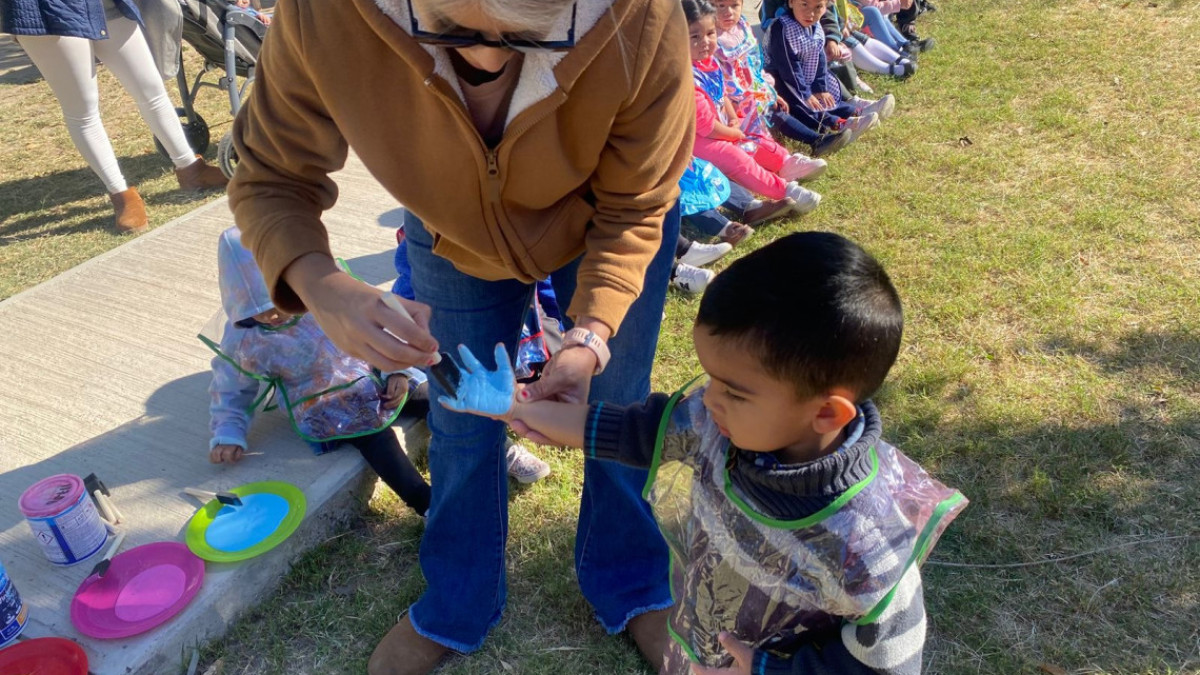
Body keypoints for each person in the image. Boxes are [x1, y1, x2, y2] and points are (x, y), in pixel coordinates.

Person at [225, 0, 696, 671]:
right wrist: (320, 285)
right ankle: (458, 595)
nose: (488, 61)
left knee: (614, 402)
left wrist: (590, 333)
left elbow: (639, 203)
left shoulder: (641, 16)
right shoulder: (323, 14)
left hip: (606, 217)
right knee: (460, 414)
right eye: (449, 31)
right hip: (449, 235)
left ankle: (632, 579)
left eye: (535, 37)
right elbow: (270, 174)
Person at [440, 231, 968, 675]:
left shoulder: (870, 541)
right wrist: (519, 409)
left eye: (734, 391)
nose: (708, 398)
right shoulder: (718, 427)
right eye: (711, 378)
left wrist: (765, 670)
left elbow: (886, 664)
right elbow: (623, 429)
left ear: (826, 415)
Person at [205, 226, 431, 517]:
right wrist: (228, 431)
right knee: (377, 438)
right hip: (325, 400)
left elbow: (377, 330)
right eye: (258, 309)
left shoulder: (326, 299)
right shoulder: (246, 338)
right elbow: (231, 386)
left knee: (431, 398)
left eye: (279, 302)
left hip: (370, 370)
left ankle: (484, 454)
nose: (273, 315)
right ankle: (426, 503)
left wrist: (397, 372)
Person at [0, 0, 228, 233]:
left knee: (151, 89)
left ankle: (191, 169)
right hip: (49, 11)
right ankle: (121, 195)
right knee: (83, 110)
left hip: (105, 5)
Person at [686, 0, 824, 212]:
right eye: (695, 36)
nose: (705, 42)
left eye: (711, 34)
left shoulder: (708, 61)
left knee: (751, 134)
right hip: (696, 140)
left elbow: (722, 93)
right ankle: (785, 190)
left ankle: (784, 163)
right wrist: (732, 132)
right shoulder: (687, 76)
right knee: (735, 156)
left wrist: (733, 119)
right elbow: (706, 126)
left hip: (720, 127)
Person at [711, 0, 853, 158]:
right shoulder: (711, 36)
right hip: (731, 97)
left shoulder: (742, 26)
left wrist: (767, 89)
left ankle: (835, 121)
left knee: (777, 102)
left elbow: (753, 64)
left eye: (734, 5)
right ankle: (817, 138)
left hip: (754, 85)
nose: (728, 12)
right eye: (720, 6)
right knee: (774, 108)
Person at [763, 0, 896, 137]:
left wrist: (820, 87)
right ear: (791, 2)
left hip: (804, 74)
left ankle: (856, 112)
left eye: (818, 7)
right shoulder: (782, 28)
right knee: (802, 104)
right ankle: (836, 123)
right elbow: (789, 68)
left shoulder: (815, 25)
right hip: (783, 81)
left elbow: (819, 58)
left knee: (827, 97)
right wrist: (806, 94)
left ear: (826, 6)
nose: (811, 13)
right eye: (804, 5)